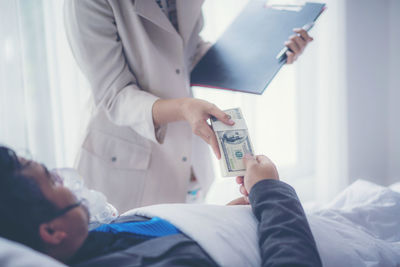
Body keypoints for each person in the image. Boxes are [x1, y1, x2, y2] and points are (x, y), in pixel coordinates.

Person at [64, 0, 314, 212]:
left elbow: (187, 54)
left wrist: (271, 54)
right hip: (126, 162)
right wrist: (184, 108)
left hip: (188, 157)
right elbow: (114, 95)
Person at [0, 145, 322, 266]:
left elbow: (169, 239)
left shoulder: (95, 237)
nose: (65, 180)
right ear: (52, 230)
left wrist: (218, 219)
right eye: (53, 181)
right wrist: (270, 190)